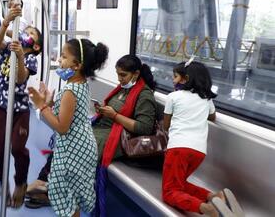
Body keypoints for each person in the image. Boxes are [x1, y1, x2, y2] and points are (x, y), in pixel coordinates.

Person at [29, 39, 109, 217]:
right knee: (73, 196)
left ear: (77, 65)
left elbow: (62, 127)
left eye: (64, 57)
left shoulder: (70, 91)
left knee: (66, 197)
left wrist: (41, 105)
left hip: (73, 150)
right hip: (82, 145)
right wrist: (49, 103)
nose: (59, 60)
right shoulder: (81, 85)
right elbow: (63, 117)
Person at [0, 3, 43, 208]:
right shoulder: (7, 49)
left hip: (20, 110)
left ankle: (20, 182)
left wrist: (20, 55)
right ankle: (3, 184)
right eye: (25, 31)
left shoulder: (30, 59)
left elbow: (21, 79)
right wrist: (6, 21)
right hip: (3, 107)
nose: (25, 34)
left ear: (36, 46)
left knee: (17, 149)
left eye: (31, 34)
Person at [162, 59, 229, 216]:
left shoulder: (173, 96)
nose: (173, 80)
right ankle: (213, 197)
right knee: (180, 184)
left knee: (169, 191)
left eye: (176, 76)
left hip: (178, 148)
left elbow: (166, 126)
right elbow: (212, 117)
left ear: (186, 79)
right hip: (199, 151)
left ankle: (205, 208)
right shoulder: (206, 99)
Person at [94, 54, 158, 217]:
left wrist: (114, 115)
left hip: (122, 137)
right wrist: (103, 111)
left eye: (123, 75)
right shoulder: (123, 89)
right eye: (118, 74)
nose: (120, 79)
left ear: (136, 74)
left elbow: (144, 127)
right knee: (74, 136)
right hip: (106, 128)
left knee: (85, 146)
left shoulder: (144, 95)